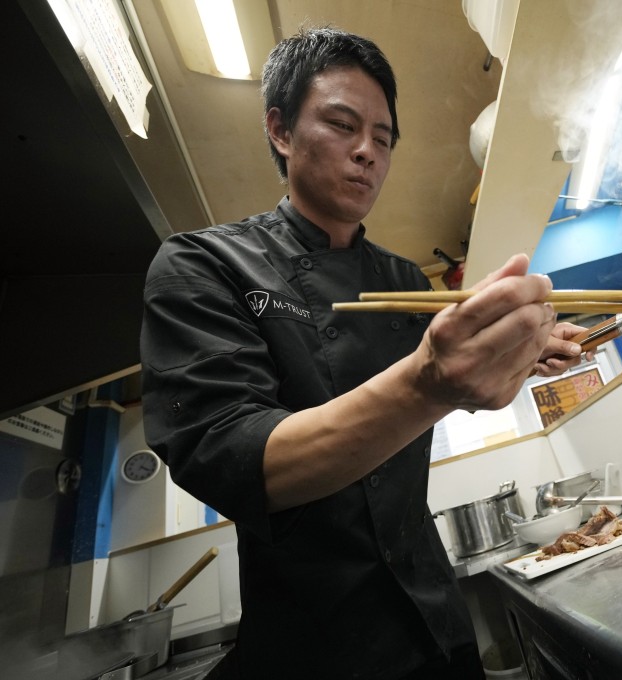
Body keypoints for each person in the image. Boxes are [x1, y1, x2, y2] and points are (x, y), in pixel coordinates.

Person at [139, 26, 588, 679]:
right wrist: (430, 384)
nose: (366, 153)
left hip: (438, 628)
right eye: (343, 125)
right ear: (281, 130)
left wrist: (511, 361)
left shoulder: (406, 283)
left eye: (383, 139)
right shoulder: (204, 266)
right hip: (315, 650)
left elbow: (440, 400)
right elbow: (232, 459)